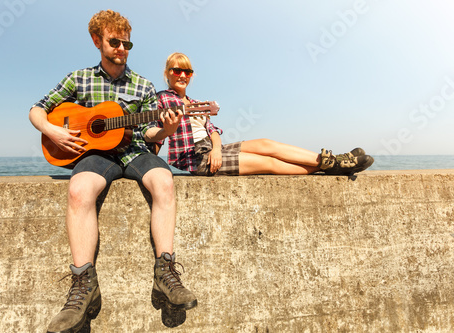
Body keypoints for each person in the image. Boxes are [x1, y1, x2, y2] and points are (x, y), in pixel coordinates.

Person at [29, 11, 196, 333]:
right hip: (96, 154)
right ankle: (82, 285)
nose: (122, 48)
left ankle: (166, 273)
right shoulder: (78, 79)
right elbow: (37, 109)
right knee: (79, 191)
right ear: (97, 41)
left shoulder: (143, 85)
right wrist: (52, 131)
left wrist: (166, 130)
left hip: (134, 152)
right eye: (114, 41)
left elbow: (150, 134)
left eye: (126, 42)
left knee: (164, 181)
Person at [156, 52, 374, 177]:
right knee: (268, 163)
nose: (182, 75)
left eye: (187, 71)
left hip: (212, 150)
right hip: (195, 159)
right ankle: (334, 167)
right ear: (168, 73)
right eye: (177, 71)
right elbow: (153, 134)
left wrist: (216, 149)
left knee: (267, 144)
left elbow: (212, 130)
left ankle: (331, 160)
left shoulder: (195, 104)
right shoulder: (161, 99)